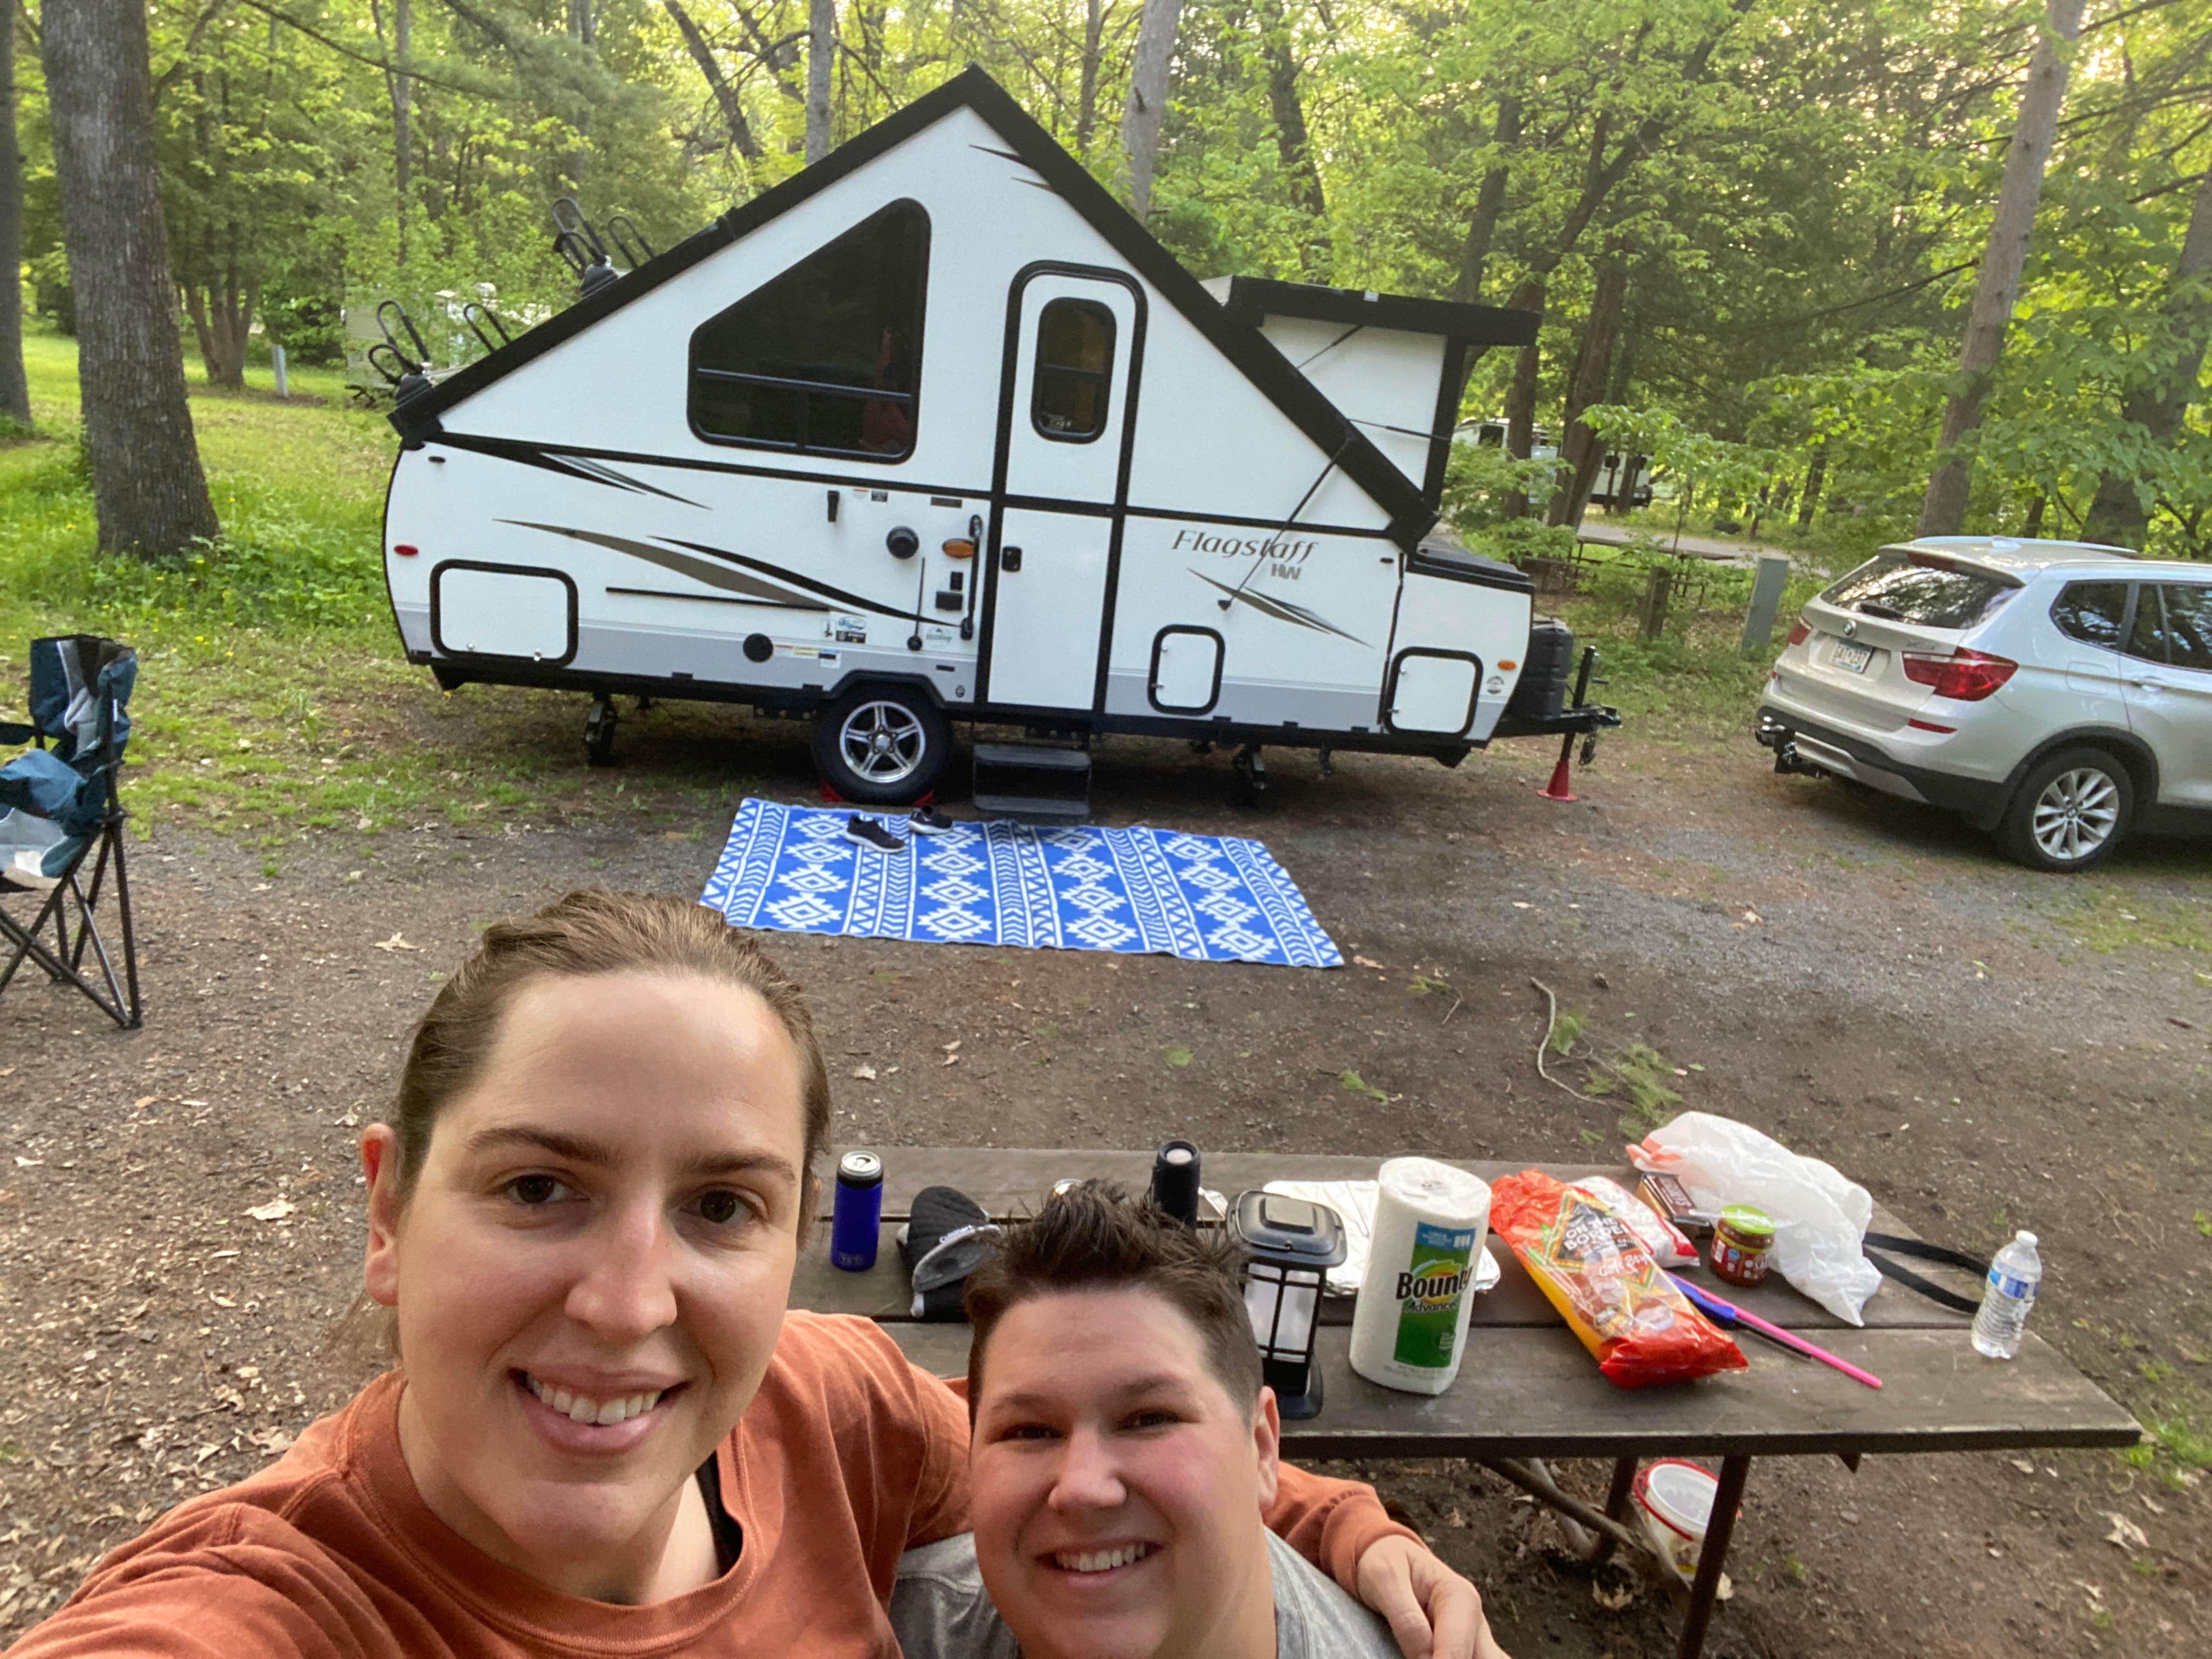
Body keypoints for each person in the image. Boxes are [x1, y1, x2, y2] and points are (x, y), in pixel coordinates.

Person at [9, 891, 1486, 1658]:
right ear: (389, 1211)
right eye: (539, 1189)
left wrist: (1346, 1528)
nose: (629, 1299)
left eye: (719, 1207)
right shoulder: (281, 1612)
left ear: (790, 1252)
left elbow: (1082, 1453)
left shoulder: (819, 1411)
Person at [889, 1186, 1510, 1659]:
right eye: (1029, 1431)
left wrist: (1352, 1525)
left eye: (1148, 1418)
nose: (1081, 1487)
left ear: (1263, 1447)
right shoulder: (896, 1632)